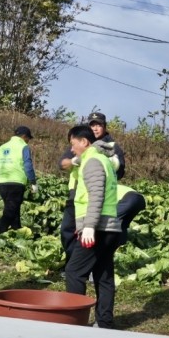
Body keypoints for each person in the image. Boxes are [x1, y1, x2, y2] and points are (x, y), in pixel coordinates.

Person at [63, 125, 122, 329]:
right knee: (103, 274)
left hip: (97, 227)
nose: (72, 149)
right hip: (109, 226)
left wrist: (89, 226)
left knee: (74, 271)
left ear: (84, 142)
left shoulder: (92, 161)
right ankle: (104, 322)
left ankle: (75, 321)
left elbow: (96, 194)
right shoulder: (103, 159)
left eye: (73, 144)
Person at [58, 111, 124, 261]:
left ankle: (80, 266)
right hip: (77, 194)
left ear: (104, 127)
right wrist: (75, 160)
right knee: (68, 230)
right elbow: (62, 164)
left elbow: (119, 172)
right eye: (92, 125)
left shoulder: (111, 146)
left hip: (97, 197)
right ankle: (72, 262)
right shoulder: (79, 143)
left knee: (93, 234)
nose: (95, 128)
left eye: (98, 125)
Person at [0, 125, 37, 233]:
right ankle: (0, 231)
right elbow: (28, 166)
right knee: (10, 210)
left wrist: (0, 176)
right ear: (24, 136)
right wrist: (33, 182)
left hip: (2, 183)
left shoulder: (2, 147)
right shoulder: (23, 147)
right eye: (28, 138)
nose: (28, 141)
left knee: (13, 209)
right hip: (16, 183)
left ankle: (17, 230)